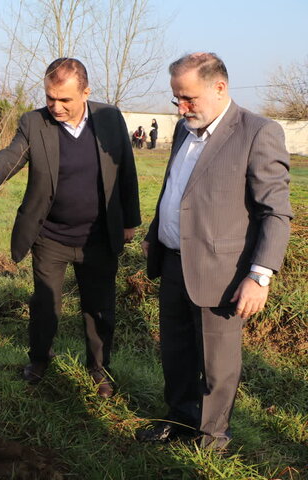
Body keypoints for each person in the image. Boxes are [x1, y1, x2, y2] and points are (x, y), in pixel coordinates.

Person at [138, 52, 292, 450]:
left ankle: (212, 439)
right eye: (176, 99)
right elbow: (177, 191)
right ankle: (180, 419)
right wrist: (157, 233)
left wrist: (259, 276)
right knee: (175, 352)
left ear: (219, 88)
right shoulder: (184, 130)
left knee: (217, 364)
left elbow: (275, 213)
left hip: (223, 272)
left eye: (189, 98)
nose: (181, 107)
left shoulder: (258, 132)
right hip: (173, 263)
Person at [0, 58, 141, 398]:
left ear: (86, 92)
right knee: (45, 305)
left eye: (65, 99)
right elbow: (12, 154)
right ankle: (39, 359)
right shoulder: (35, 122)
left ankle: (98, 368)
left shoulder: (109, 119)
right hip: (50, 236)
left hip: (98, 236)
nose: (56, 106)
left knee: (99, 308)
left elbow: (126, 170)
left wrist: (130, 221)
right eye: (50, 97)